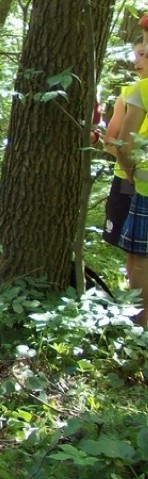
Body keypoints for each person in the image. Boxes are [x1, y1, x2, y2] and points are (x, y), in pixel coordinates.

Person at [113, 49, 148, 328]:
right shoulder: (135, 90)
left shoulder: (142, 89)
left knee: (139, 257)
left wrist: (132, 172)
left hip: (143, 185)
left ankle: (141, 323)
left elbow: (124, 141)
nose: (138, 60)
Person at [102, 42, 148, 248]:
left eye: (143, 54)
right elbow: (111, 141)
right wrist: (131, 166)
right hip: (126, 181)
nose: (138, 60)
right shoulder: (128, 94)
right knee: (128, 245)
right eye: (137, 55)